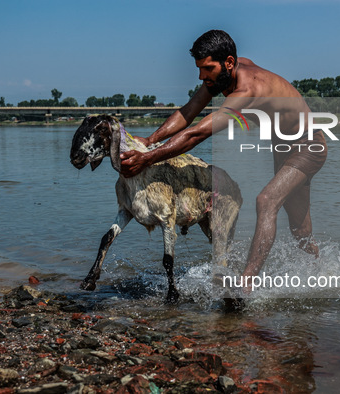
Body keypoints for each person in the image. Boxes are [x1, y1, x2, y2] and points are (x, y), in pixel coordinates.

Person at [120, 30, 327, 294]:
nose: (201, 76)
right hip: (284, 148)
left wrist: (147, 159)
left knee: (266, 201)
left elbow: (198, 133)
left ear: (229, 62)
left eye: (207, 68)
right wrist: (150, 141)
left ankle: (246, 285)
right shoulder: (226, 73)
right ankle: (321, 276)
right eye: (199, 69)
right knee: (299, 227)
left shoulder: (248, 89)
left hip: (309, 145)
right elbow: (188, 112)